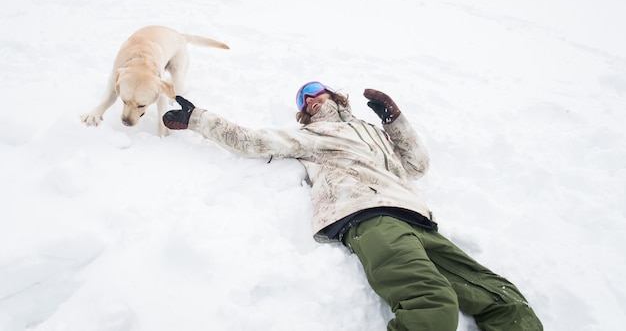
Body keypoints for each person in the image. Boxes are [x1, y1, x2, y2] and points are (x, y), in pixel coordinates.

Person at [162, 81, 543, 331]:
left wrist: (395, 122)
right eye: (303, 101)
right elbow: (252, 141)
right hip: (370, 218)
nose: (309, 100)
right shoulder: (311, 134)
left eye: (313, 91)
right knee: (433, 305)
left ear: (334, 93)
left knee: (504, 300)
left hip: (419, 221)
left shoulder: (376, 133)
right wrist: (199, 118)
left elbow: (417, 165)